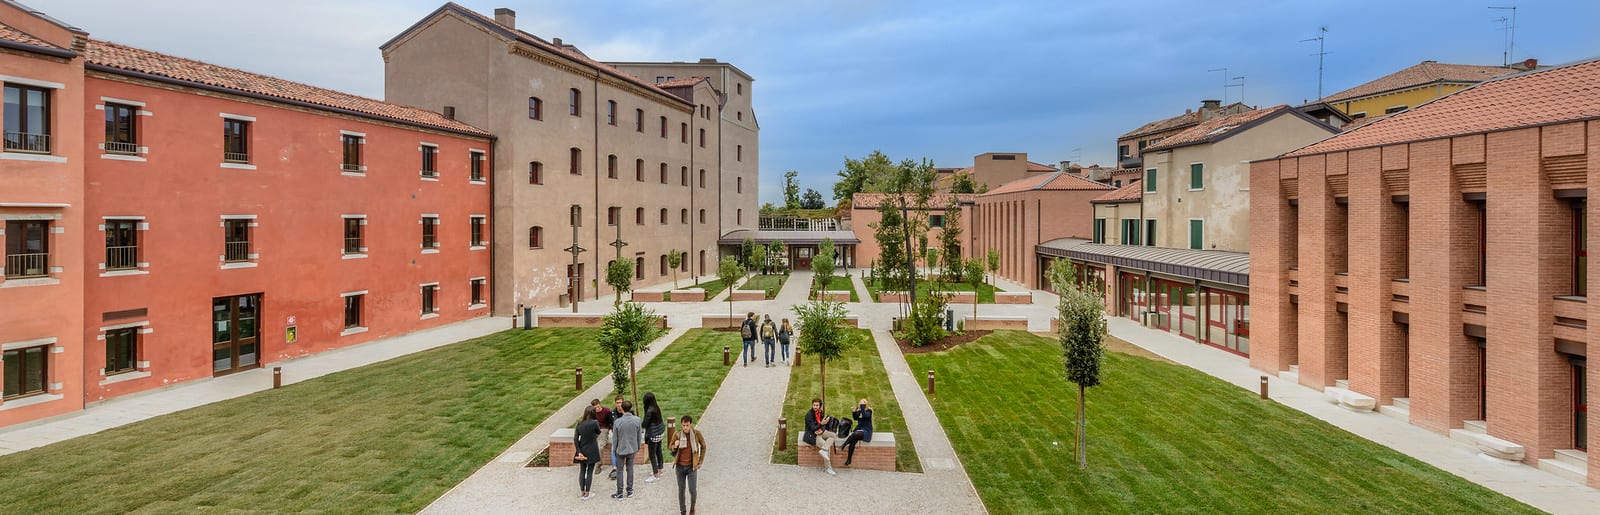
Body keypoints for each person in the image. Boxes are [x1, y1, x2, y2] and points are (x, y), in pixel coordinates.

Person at [670, 415, 707, 515]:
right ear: (681, 425)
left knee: (692, 490)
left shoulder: (696, 434)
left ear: (690, 424)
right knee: (681, 490)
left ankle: (692, 509)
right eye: (683, 425)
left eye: (687, 425)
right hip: (680, 467)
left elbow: (703, 446)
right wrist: (675, 445)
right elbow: (671, 448)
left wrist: (700, 461)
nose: (685, 427)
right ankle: (683, 511)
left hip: (692, 467)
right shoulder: (677, 434)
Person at [610, 400, 643, 499]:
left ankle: (619, 492)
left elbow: (615, 438)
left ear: (622, 409)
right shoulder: (637, 420)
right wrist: (638, 446)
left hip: (620, 449)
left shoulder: (617, 422)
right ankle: (629, 490)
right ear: (631, 408)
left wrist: (614, 449)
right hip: (632, 448)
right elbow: (639, 435)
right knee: (630, 469)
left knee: (619, 471)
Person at [803, 398, 838, 475]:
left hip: (820, 432)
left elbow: (823, 425)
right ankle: (828, 468)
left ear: (820, 406)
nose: (815, 407)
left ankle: (824, 450)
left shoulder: (820, 412)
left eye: (817, 405)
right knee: (827, 447)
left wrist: (822, 428)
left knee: (833, 435)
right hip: (813, 435)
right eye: (814, 405)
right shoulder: (808, 415)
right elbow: (812, 428)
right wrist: (821, 424)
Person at [574, 407, 602, 500]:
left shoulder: (579, 423)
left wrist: (579, 452)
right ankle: (587, 493)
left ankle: (582, 491)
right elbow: (598, 432)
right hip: (592, 449)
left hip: (582, 449)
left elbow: (575, 439)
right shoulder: (594, 423)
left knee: (582, 471)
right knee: (590, 471)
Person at [839, 398, 874, 466]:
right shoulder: (859, 411)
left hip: (866, 430)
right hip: (860, 429)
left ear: (866, 404)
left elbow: (865, 415)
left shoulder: (869, 411)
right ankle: (849, 460)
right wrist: (854, 412)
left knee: (856, 433)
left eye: (863, 403)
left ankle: (844, 444)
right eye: (860, 403)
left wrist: (862, 408)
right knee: (852, 442)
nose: (861, 404)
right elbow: (855, 418)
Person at [642, 392, 666, 482]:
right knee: (659, 451)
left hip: (653, 434)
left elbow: (644, 424)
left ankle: (655, 474)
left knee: (652, 454)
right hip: (660, 432)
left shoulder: (649, 411)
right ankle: (660, 469)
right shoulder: (656, 407)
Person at [591, 399, 613, 475]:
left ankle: (598, 465)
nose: (596, 409)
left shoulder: (606, 411)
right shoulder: (592, 412)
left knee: (600, 447)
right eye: (595, 408)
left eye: (597, 407)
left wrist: (610, 429)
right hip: (594, 429)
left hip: (603, 429)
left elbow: (611, 421)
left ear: (600, 404)